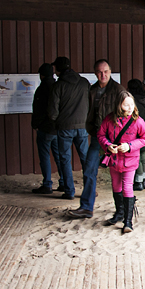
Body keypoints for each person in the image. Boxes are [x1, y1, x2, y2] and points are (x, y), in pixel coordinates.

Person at [67, 59, 123, 219]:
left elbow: (127, 114)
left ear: (110, 72)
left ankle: (121, 210)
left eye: (105, 71)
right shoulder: (92, 90)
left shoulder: (118, 90)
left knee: (118, 174)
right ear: (95, 73)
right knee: (89, 170)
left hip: (114, 139)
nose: (102, 75)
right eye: (99, 72)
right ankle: (86, 207)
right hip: (98, 137)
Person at [98, 89, 145, 232]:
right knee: (116, 186)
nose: (129, 108)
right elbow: (101, 135)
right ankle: (119, 213)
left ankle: (128, 221)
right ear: (119, 105)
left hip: (130, 160)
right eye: (126, 105)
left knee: (127, 187)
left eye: (131, 105)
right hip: (114, 159)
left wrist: (130, 146)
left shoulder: (138, 121)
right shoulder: (109, 120)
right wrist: (108, 146)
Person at [48, 56, 89, 201]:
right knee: (85, 159)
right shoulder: (84, 82)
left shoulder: (58, 86)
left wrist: (56, 121)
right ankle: (89, 190)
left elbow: (53, 112)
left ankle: (69, 191)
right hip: (83, 126)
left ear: (57, 69)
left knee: (65, 159)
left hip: (64, 127)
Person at [30, 63, 64, 194]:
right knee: (59, 157)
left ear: (41, 75)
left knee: (44, 156)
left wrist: (35, 124)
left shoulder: (42, 88)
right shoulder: (57, 87)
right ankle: (63, 182)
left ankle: (47, 184)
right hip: (57, 128)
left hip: (45, 128)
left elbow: (38, 110)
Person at [126, 79, 145, 191]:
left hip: (137, 131)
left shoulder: (134, 101)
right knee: (143, 158)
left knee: (138, 157)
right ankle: (144, 180)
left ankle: (138, 182)